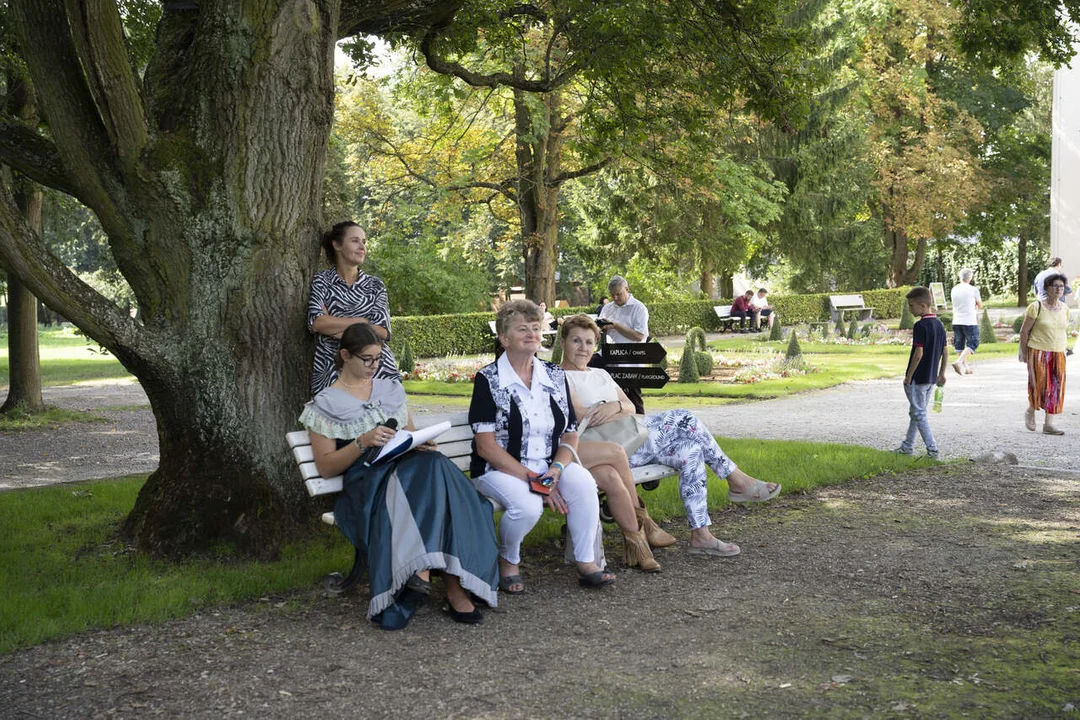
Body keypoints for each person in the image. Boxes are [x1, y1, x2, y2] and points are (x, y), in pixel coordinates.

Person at [300, 323, 499, 629]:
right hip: (368, 484)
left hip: (409, 472)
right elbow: (327, 468)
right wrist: (362, 442)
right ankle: (453, 589)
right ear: (344, 355)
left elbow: (407, 435)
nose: (374, 366)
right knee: (434, 476)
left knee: (432, 464)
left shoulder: (390, 389)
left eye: (378, 359)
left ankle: (427, 578)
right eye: (367, 359)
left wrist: (420, 442)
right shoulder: (325, 403)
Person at [559, 315, 781, 558]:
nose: (583, 348)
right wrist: (614, 407)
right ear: (563, 343)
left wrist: (614, 407)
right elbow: (583, 416)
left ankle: (701, 535)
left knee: (690, 450)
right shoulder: (560, 377)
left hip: (637, 439)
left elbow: (630, 407)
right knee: (684, 417)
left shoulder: (599, 374)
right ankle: (736, 480)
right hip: (611, 452)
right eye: (576, 341)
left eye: (589, 342)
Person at [469, 300, 616, 593]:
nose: (532, 334)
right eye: (522, 329)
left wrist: (556, 470)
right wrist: (536, 481)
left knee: (585, 483)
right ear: (504, 338)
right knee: (527, 506)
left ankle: (586, 562)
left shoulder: (554, 374)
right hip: (499, 469)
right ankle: (508, 560)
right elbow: (486, 447)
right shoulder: (489, 379)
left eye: (536, 328)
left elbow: (570, 434)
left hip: (549, 466)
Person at [308, 222, 398, 395]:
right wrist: (363, 321)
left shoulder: (375, 286)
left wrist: (334, 328)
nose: (362, 247)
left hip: (378, 368)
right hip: (333, 368)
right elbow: (317, 323)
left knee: (384, 420)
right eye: (355, 241)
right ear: (337, 245)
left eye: (364, 242)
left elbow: (383, 332)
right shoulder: (322, 281)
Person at [895, 287, 948, 459]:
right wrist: (942, 373)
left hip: (918, 377)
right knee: (916, 412)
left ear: (923, 306)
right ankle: (907, 446)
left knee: (919, 413)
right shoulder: (939, 325)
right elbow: (945, 351)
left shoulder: (920, 326)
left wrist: (909, 375)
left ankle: (932, 450)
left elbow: (918, 354)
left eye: (912, 306)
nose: (910, 309)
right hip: (931, 376)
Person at [1019, 273, 1070, 435]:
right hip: (1038, 351)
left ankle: (1049, 424)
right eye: (1055, 286)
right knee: (1039, 385)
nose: (1058, 289)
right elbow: (1024, 332)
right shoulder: (1036, 307)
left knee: (1056, 387)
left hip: (1058, 353)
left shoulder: (1065, 309)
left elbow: (1062, 330)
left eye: (1061, 286)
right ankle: (1031, 410)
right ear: (1047, 288)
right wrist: (1024, 352)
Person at [596, 276, 649, 414]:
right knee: (588, 365)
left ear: (627, 289)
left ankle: (641, 424)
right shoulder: (608, 308)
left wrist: (615, 325)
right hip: (609, 353)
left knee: (633, 395)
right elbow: (598, 329)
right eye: (612, 295)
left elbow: (639, 336)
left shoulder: (639, 308)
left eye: (618, 294)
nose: (615, 298)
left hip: (631, 356)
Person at [949, 268, 983, 376]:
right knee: (973, 342)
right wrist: (975, 305)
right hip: (969, 320)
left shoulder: (954, 289)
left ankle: (965, 368)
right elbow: (980, 304)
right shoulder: (973, 290)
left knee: (959, 344)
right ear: (970, 277)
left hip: (956, 320)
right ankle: (959, 362)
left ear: (960, 277)